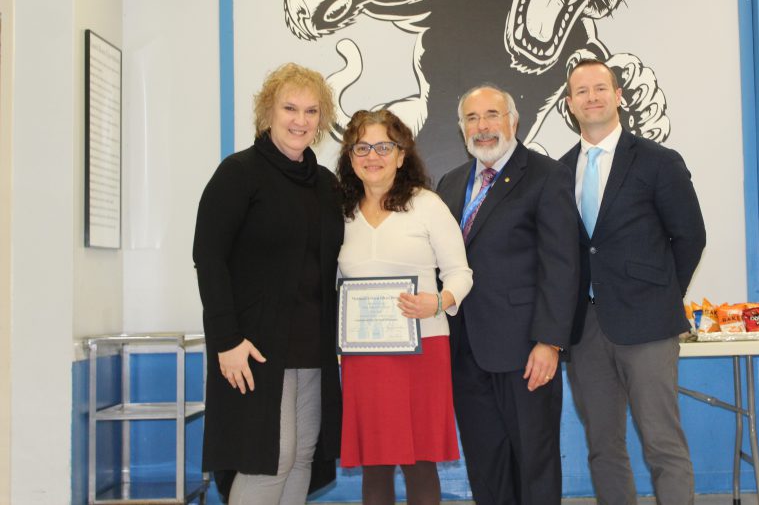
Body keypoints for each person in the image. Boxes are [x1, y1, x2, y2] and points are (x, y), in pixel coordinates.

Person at [192, 63, 343, 504]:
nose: (300, 120)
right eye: (290, 108)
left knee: (302, 456)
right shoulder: (239, 173)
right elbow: (209, 258)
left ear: (322, 119)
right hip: (252, 349)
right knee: (269, 459)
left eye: (311, 110)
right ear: (268, 112)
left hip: (311, 348)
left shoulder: (325, 184)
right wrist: (226, 340)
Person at [558, 58, 706, 505]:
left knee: (663, 443)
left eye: (601, 88)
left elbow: (690, 237)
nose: (592, 97)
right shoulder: (559, 171)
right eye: (581, 91)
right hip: (584, 330)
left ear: (618, 95)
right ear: (570, 104)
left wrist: (661, 295)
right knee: (604, 447)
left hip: (648, 328)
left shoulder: (659, 161)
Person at [435, 85, 579, 505]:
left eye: (492, 115)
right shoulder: (450, 182)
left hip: (525, 352)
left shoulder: (547, 175)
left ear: (513, 121)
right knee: (486, 463)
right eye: (473, 119)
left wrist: (550, 342)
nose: (483, 127)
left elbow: (562, 265)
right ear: (462, 128)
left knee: (534, 463)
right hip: (465, 352)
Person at [336, 109, 473, 505]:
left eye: (383, 146)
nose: (372, 155)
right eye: (362, 147)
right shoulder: (339, 212)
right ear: (350, 156)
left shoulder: (426, 205)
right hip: (364, 355)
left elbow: (461, 274)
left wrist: (439, 301)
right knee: (374, 462)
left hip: (423, 349)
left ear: (401, 155)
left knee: (419, 461)